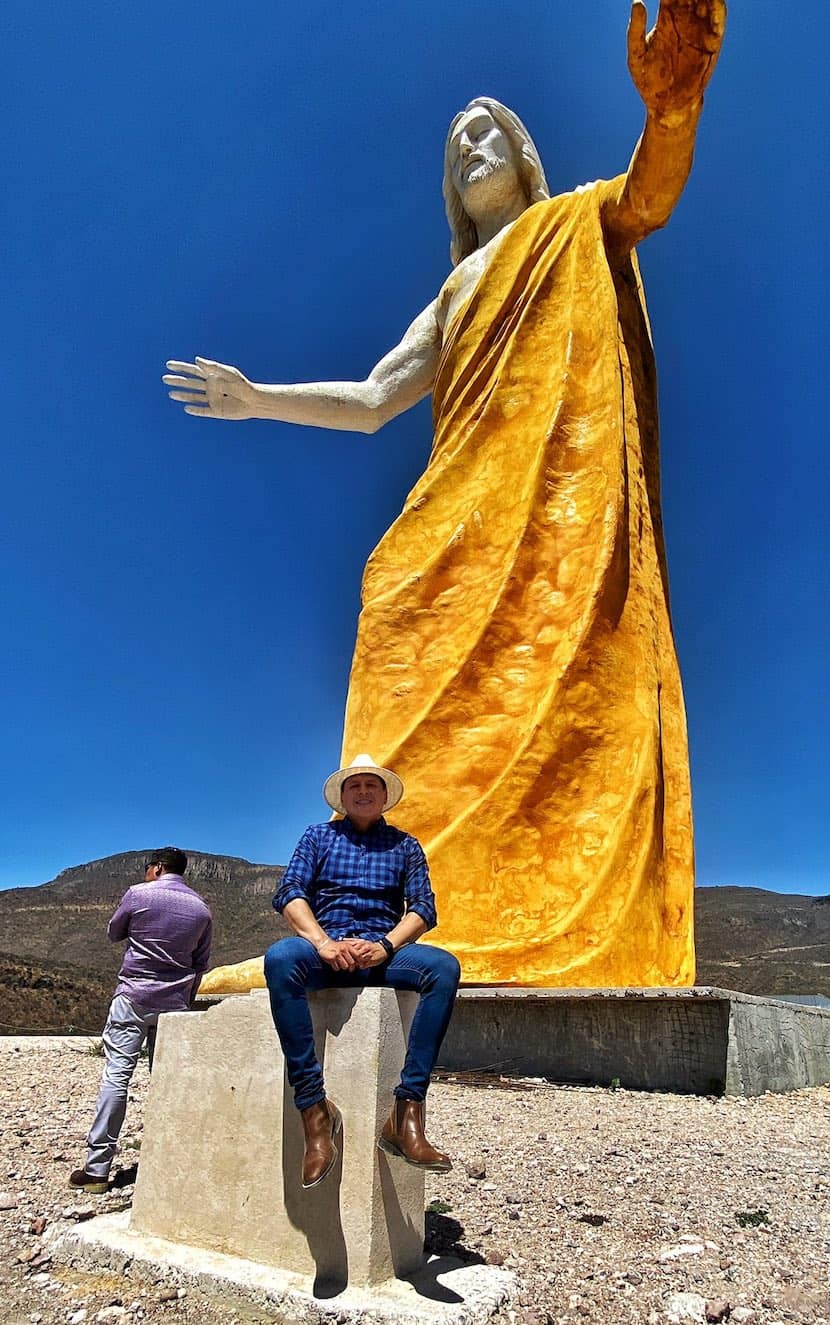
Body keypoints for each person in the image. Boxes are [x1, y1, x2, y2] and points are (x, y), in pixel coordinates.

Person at [165, 3, 725, 989]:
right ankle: (363, 918)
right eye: (458, 140)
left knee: (563, 674)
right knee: (392, 601)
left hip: (555, 511)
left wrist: (671, 108)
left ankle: (508, 918)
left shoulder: (574, 225)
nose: (471, 146)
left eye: (488, 134)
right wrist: (258, 399)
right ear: (450, 190)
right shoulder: (457, 288)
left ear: (522, 158)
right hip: (460, 505)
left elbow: (650, 197)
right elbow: (378, 397)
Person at [264, 753, 461, 1188]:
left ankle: (406, 1114)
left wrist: (384, 946)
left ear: (385, 795)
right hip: (324, 950)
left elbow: (424, 910)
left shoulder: (405, 845)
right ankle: (315, 1112)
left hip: (382, 954)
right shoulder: (317, 837)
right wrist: (323, 943)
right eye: (355, 786)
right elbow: (290, 893)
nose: (364, 792)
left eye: (372, 785)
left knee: (442, 968)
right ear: (342, 796)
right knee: (281, 958)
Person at [69, 847, 212, 1193]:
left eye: (149, 868)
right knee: (168, 1082)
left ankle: (98, 1168)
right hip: (175, 1004)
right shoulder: (201, 909)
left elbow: (114, 932)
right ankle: (171, 1162)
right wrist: (184, 999)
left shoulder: (138, 894)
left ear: (157, 868)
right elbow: (200, 964)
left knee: (117, 1076)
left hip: (133, 996)